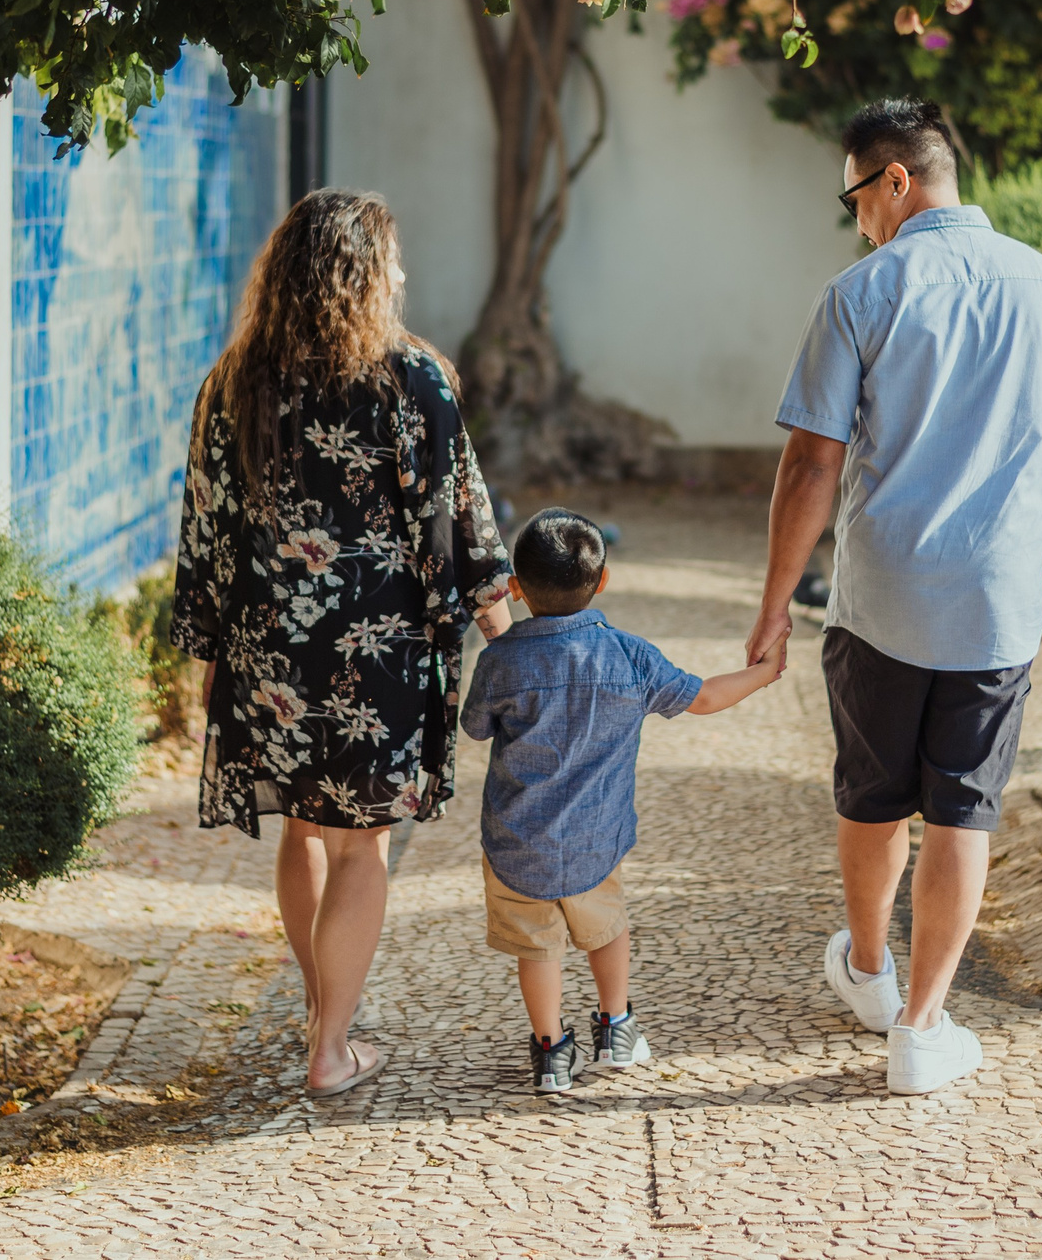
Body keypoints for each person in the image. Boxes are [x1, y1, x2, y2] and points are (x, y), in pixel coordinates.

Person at [747, 98, 1042, 1096]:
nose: (855, 216)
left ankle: (867, 965)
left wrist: (775, 601)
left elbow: (810, 462)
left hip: (879, 598)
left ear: (896, 179)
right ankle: (921, 1024)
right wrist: (1026, 568)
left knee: (872, 794)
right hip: (992, 605)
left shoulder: (863, 291)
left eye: (855, 194)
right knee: (961, 813)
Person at [172, 189, 512, 1098]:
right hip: (378, 653)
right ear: (362, 275)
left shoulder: (233, 380)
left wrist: (203, 650)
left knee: (303, 826)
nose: (403, 274)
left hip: (269, 658)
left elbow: (207, 520)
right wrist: (505, 639)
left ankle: (326, 1016)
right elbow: (458, 518)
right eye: (392, 260)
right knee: (362, 843)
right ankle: (331, 1049)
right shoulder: (411, 380)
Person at [462, 508, 787, 1093]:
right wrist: (765, 672)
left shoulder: (499, 661)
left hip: (518, 843)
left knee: (537, 949)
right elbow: (705, 698)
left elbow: (478, 728)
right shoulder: (629, 656)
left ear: (515, 587)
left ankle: (551, 1053)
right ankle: (616, 1029)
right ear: (602, 580)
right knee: (606, 928)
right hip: (596, 839)